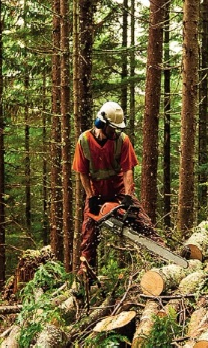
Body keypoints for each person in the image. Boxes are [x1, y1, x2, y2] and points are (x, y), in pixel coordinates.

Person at [72, 101, 164, 277]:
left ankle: (163, 256)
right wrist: (90, 197)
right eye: (112, 128)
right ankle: (86, 273)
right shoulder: (84, 141)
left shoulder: (122, 140)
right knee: (88, 233)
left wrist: (128, 197)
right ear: (102, 124)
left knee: (142, 222)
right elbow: (82, 172)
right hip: (95, 192)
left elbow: (128, 169)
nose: (114, 131)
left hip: (119, 189)